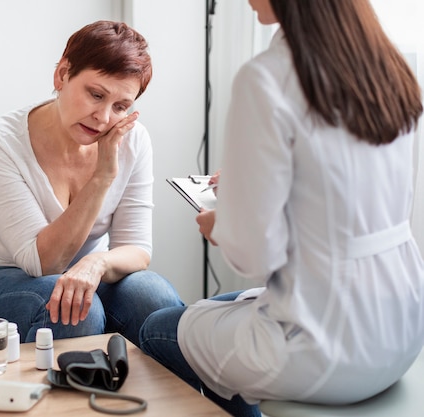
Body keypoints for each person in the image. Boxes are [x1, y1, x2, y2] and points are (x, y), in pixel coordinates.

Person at [139, 1, 424, 417]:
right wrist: (249, 184)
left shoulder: (266, 78)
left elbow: (255, 255)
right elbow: (339, 197)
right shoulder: (387, 67)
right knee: (219, 310)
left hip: (327, 348)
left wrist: (223, 222)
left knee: (158, 330)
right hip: (402, 328)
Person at [0, 20, 183, 347]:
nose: (104, 118)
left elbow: (137, 249)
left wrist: (96, 262)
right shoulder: (1, 141)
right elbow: (44, 263)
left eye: (121, 106)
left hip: (88, 276)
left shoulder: (133, 140)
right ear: (62, 74)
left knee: (151, 295)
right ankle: (60, 397)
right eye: (95, 95)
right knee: (74, 308)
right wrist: (103, 175)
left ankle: (174, 398)